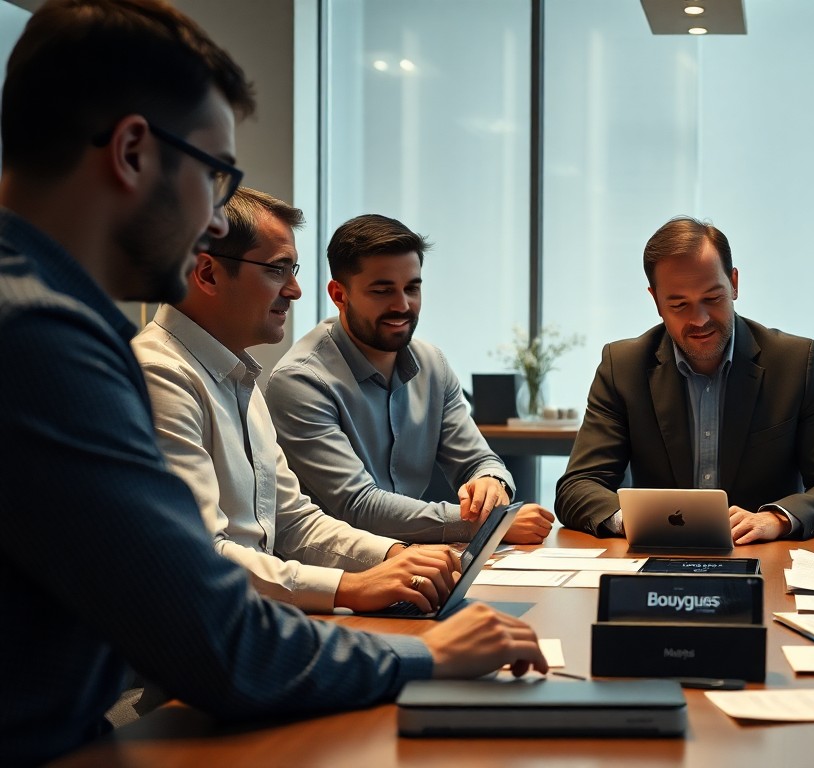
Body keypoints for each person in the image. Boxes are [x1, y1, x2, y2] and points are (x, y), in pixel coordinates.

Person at [0, 3, 544, 764]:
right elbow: (213, 632)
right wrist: (429, 656)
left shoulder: (50, 314)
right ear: (131, 152)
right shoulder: (41, 338)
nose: (214, 220)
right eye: (217, 176)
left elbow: (275, 533)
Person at [133, 188, 465, 613]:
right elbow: (200, 555)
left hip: (253, 622)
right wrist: (348, 587)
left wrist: (393, 556)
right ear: (208, 274)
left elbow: (292, 522)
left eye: (293, 270)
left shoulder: (239, 374)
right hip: (198, 646)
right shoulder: (158, 374)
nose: (295, 291)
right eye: (277, 270)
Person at [555, 216, 814, 544]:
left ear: (733, 283)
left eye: (712, 298)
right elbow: (577, 487)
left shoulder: (795, 363)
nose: (699, 319)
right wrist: (632, 520)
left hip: (762, 559)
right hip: (657, 559)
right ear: (656, 301)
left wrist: (776, 519)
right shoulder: (624, 367)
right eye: (679, 305)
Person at [267, 213, 554, 545]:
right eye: (382, 290)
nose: (402, 305)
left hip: (416, 561)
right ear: (339, 295)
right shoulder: (301, 380)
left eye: (412, 288)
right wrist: (482, 524)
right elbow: (357, 506)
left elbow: (479, 460)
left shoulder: (432, 364)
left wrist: (491, 484)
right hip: (339, 574)